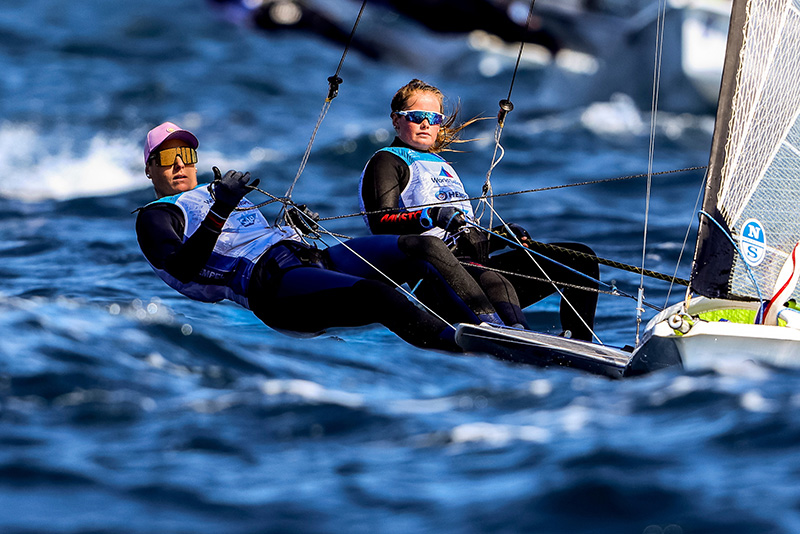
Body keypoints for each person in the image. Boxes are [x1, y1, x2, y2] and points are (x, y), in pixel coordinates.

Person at [135, 122, 506, 352]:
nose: (180, 164)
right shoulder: (156, 216)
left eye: (185, 153)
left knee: (423, 244)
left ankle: (498, 329)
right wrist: (221, 209)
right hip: (272, 287)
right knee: (379, 296)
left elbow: (254, 237)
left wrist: (293, 226)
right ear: (150, 169)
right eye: (167, 158)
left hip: (308, 258)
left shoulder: (216, 191)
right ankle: (465, 347)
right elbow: (182, 270)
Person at [359, 79, 600, 341]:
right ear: (396, 120)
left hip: (477, 269)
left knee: (581, 260)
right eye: (417, 116)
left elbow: (463, 234)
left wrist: (498, 236)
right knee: (494, 281)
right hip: (435, 279)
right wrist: (432, 216)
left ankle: (583, 345)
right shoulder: (387, 160)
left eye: (434, 118)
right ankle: (520, 339)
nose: (426, 124)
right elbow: (380, 221)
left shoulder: (440, 164)